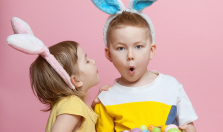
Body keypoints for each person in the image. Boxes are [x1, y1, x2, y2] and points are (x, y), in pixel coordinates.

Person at [91, 0, 198, 132]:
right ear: (108, 54)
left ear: (151, 50)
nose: (130, 55)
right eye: (120, 48)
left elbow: (189, 126)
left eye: (138, 46)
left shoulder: (171, 86)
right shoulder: (106, 99)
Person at [7, 17, 108, 132]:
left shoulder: (72, 105)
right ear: (76, 80)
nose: (93, 61)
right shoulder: (73, 105)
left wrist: (95, 107)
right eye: (87, 61)